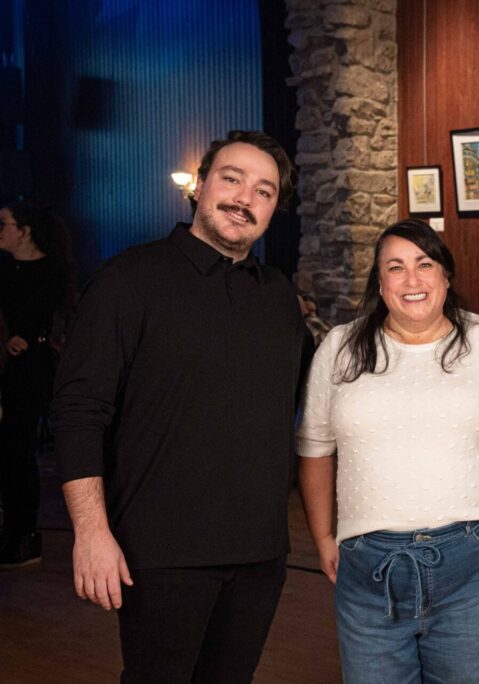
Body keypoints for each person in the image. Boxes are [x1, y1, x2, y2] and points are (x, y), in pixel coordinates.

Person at [51, 130, 305, 683]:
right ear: (200, 185)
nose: (244, 198)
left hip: (259, 553)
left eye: (263, 191)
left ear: (273, 210)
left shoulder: (278, 295)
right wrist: (91, 534)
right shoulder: (130, 280)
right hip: (161, 552)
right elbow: (77, 413)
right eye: (231, 179)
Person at [296, 219, 479, 684]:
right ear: (380, 283)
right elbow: (316, 449)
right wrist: (322, 537)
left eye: (424, 264)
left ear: (446, 276)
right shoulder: (339, 349)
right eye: (395, 268)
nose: (412, 280)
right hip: (367, 568)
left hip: (476, 561)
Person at [0, 202, 73, 568]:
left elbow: (58, 324)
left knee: (18, 448)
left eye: (4, 223)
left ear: (24, 230)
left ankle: (24, 534)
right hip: (12, 365)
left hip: (35, 368)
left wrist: (29, 339)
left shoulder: (52, 273)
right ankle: (13, 530)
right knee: (10, 450)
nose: (0, 229)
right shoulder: (6, 269)